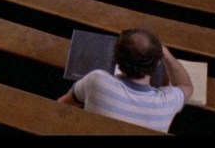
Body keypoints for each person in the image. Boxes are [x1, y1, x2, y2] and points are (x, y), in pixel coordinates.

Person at [57, 28, 192, 133]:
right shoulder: (168, 103)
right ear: (157, 63)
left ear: (116, 59)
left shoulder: (96, 81)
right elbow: (186, 85)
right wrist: (166, 54)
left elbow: (63, 105)